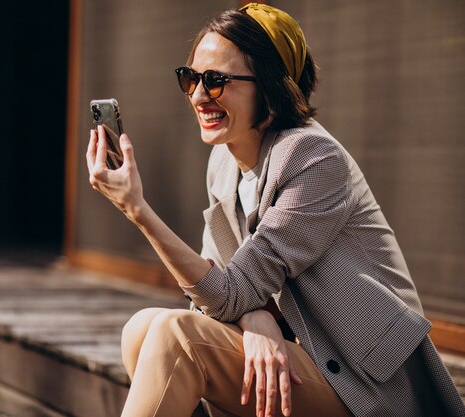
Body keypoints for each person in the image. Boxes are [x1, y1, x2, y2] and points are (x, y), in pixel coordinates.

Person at [86, 3, 465, 417]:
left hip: (366, 387)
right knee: (140, 329)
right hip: (298, 363)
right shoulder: (225, 163)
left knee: (175, 336)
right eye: (190, 77)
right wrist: (256, 320)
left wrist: (137, 210)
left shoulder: (313, 159)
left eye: (216, 81)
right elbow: (220, 288)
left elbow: (225, 293)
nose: (198, 95)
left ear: (269, 86)